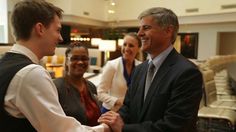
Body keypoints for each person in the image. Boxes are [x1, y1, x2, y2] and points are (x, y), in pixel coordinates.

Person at [0, 0, 109, 131]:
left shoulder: (5, 63)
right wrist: (105, 128)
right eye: (57, 30)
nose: (61, 38)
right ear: (40, 29)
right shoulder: (31, 73)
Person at [98, 7, 203, 132]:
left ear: (168, 30)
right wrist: (112, 121)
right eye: (140, 28)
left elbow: (175, 125)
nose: (139, 33)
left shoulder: (187, 73)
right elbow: (128, 107)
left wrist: (123, 128)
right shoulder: (139, 69)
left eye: (146, 28)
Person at [53, 43, 101, 126]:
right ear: (67, 62)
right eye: (74, 58)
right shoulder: (56, 87)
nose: (80, 62)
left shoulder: (91, 86)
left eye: (84, 58)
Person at [97, 33, 142, 113]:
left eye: (131, 45)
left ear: (138, 49)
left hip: (130, 112)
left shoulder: (141, 66)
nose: (126, 48)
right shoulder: (112, 65)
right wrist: (117, 101)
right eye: (124, 44)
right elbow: (100, 93)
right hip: (110, 111)